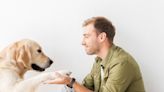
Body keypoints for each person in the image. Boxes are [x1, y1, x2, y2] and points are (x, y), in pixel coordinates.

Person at [47, 16, 145, 92]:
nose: (82, 42)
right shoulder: (99, 61)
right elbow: (85, 87)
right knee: (67, 89)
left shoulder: (122, 63)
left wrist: (71, 82)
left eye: (87, 36)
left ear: (102, 37)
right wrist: (68, 83)